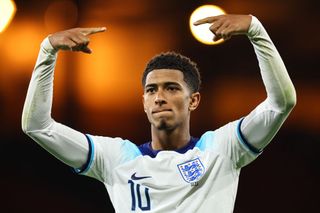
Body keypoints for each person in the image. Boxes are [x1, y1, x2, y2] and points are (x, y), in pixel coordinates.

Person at [22, 14, 296, 212]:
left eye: (171, 88)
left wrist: (256, 31)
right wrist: (47, 52)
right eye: (151, 90)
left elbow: (281, 104)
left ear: (194, 100)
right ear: (143, 102)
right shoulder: (116, 158)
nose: (160, 97)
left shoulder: (222, 149)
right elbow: (37, 126)